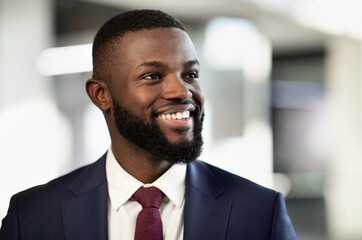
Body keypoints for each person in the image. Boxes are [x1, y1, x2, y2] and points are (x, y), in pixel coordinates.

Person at [0, 9, 296, 239]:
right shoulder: (32, 217)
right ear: (101, 95)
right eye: (153, 76)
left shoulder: (260, 212)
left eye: (190, 75)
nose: (182, 92)